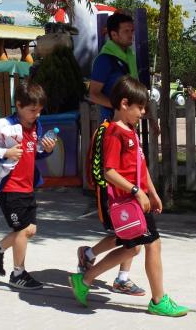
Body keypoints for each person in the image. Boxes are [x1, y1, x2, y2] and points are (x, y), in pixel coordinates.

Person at [69, 76, 188, 317]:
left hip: (137, 201)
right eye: (140, 107)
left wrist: (152, 193)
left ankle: (86, 279)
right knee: (151, 244)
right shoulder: (115, 133)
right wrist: (137, 191)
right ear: (124, 104)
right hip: (127, 202)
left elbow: (140, 167)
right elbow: (108, 172)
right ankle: (158, 300)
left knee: (133, 249)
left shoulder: (130, 131)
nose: (143, 112)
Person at [85, 12, 149, 295]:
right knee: (126, 214)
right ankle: (116, 274)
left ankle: (91, 256)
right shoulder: (106, 60)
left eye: (131, 31)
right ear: (112, 34)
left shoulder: (126, 58)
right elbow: (93, 92)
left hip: (127, 129)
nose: (130, 35)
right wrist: (116, 110)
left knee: (131, 218)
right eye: (125, 31)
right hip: (114, 132)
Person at [0, 82, 56, 290]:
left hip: (27, 186)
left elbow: (36, 153)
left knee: (30, 230)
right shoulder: (3, 126)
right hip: (10, 188)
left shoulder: (36, 127)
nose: (37, 115)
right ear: (18, 105)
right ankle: (18, 274)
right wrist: (6, 153)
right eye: (33, 110)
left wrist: (47, 149)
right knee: (23, 229)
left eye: (40, 110)